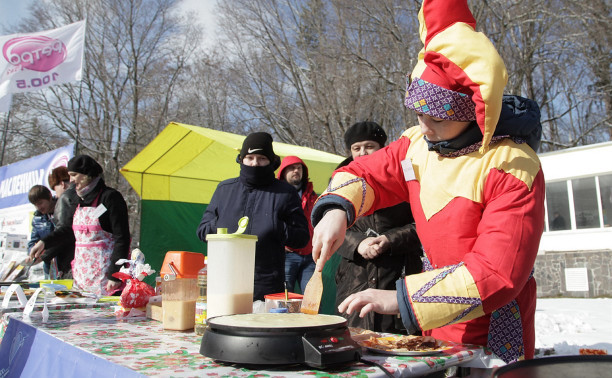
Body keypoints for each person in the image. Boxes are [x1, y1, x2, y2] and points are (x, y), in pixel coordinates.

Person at [310, 0, 545, 364]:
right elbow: (364, 172)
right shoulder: (417, 146)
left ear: (472, 114)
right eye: (417, 113)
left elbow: (498, 271)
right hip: (433, 319)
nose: (423, 126)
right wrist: (337, 211)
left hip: (491, 323)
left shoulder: (513, 166)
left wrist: (401, 298)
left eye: (436, 118)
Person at [197, 132, 310, 300]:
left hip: (267, 283)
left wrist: (276, 227)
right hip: (226, 280)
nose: (255, 163)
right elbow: (202, 231)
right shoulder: (225, 189)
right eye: (250, 157)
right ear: (241, 159)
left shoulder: (285, 192)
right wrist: (221, 224)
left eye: (261, 158)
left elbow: (302, 238)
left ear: (271, 161)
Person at [334, 121, 422, 333]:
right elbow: (332, 230)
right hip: (355, 275)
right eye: (356, 148)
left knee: (399, 342)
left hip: (398, 272)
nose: (362, 152)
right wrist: (358, 243)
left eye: (369, 146)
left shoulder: (403, 180)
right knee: (354, 337)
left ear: (382, 148)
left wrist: (390, 240)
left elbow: (421, 225)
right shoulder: (340, 183)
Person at [30, 155, 131, 296]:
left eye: (74, 175)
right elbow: (67, 230)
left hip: (105, 276)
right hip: (82, 275)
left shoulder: (110, 198)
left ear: (87, 175)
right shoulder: (77, 200)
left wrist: (115, 274)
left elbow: (122, 238)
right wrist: (44, 243)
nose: (70, 180)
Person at [277, 155, 318, 294]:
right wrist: (280, 244)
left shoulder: (312, 195)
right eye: (292, 168)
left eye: (299, 168)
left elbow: (319, 222)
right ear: (283, 171)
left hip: (310, 256)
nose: (296, 171)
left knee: (312, 300)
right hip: (286, 255)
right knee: (284, 300)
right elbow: (269, 222)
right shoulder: (275, 194)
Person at [27, 185, 57, 278]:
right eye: (35, 204)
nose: (38, 207)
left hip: (65, 263)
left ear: (49, 196)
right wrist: (33, 254)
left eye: (40, 203)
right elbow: (33, 241)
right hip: (48, 266)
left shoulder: (62, 210)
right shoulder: (37, 219)